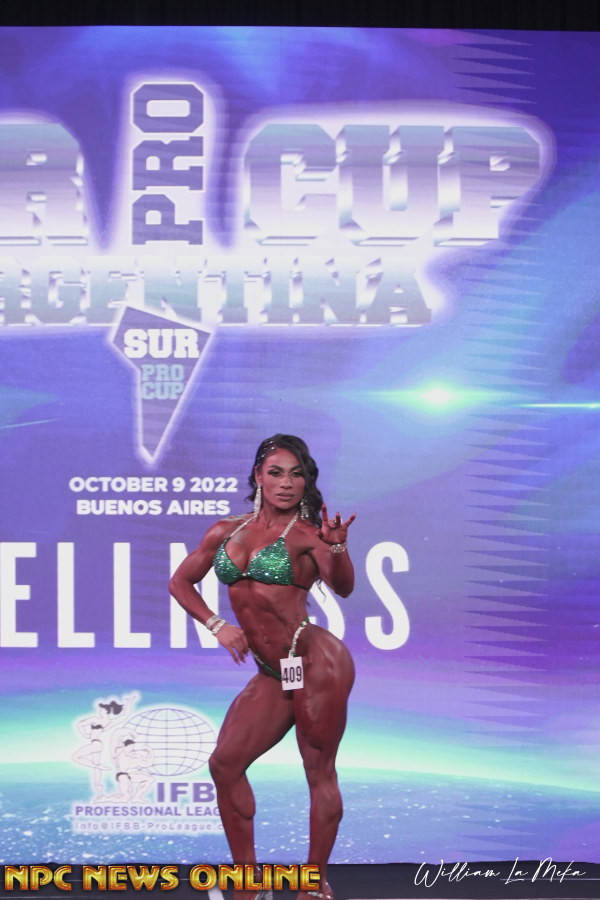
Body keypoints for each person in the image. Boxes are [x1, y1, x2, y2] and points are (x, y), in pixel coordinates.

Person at [169, 435, 356, 900]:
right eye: (276, 473)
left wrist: (336, 549)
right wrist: (216, 624)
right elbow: (181, 582)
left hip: (315, 661)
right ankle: (248, 883)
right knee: (224, 764)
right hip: (275, 671)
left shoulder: (310, 535)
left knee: (318, 770)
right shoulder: (225, 531)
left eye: (296, 474)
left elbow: (343, 586)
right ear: (258, 477)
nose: (286, 483)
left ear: (306, 482)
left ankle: (314, 885)